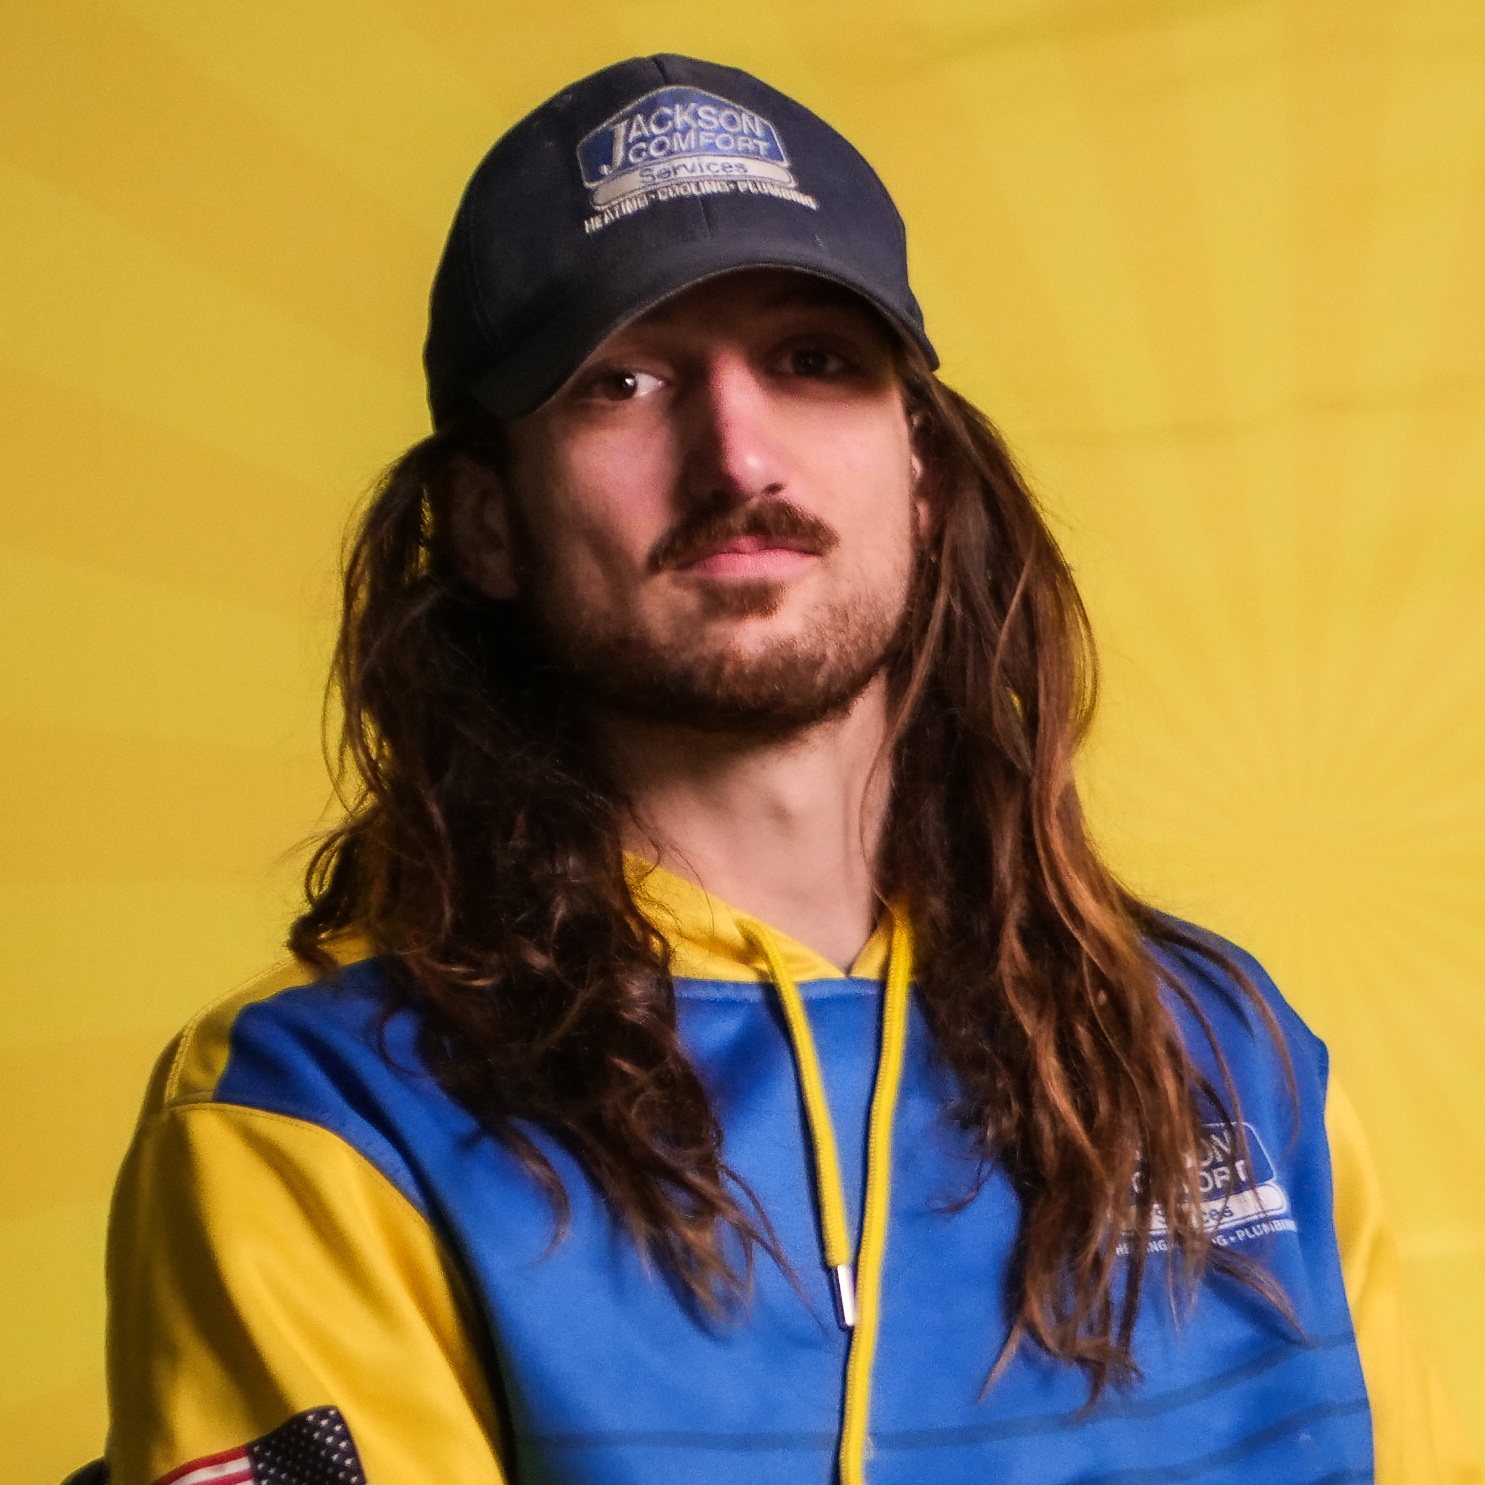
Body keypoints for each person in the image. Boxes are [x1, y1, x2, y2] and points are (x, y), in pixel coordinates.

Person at [96, 52, 1475, 1485]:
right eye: (623, 381)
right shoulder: (320, 1114)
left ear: (921, 472)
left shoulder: (1227, 1055)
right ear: (487, 522)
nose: (738, 455)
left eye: (814, 360)